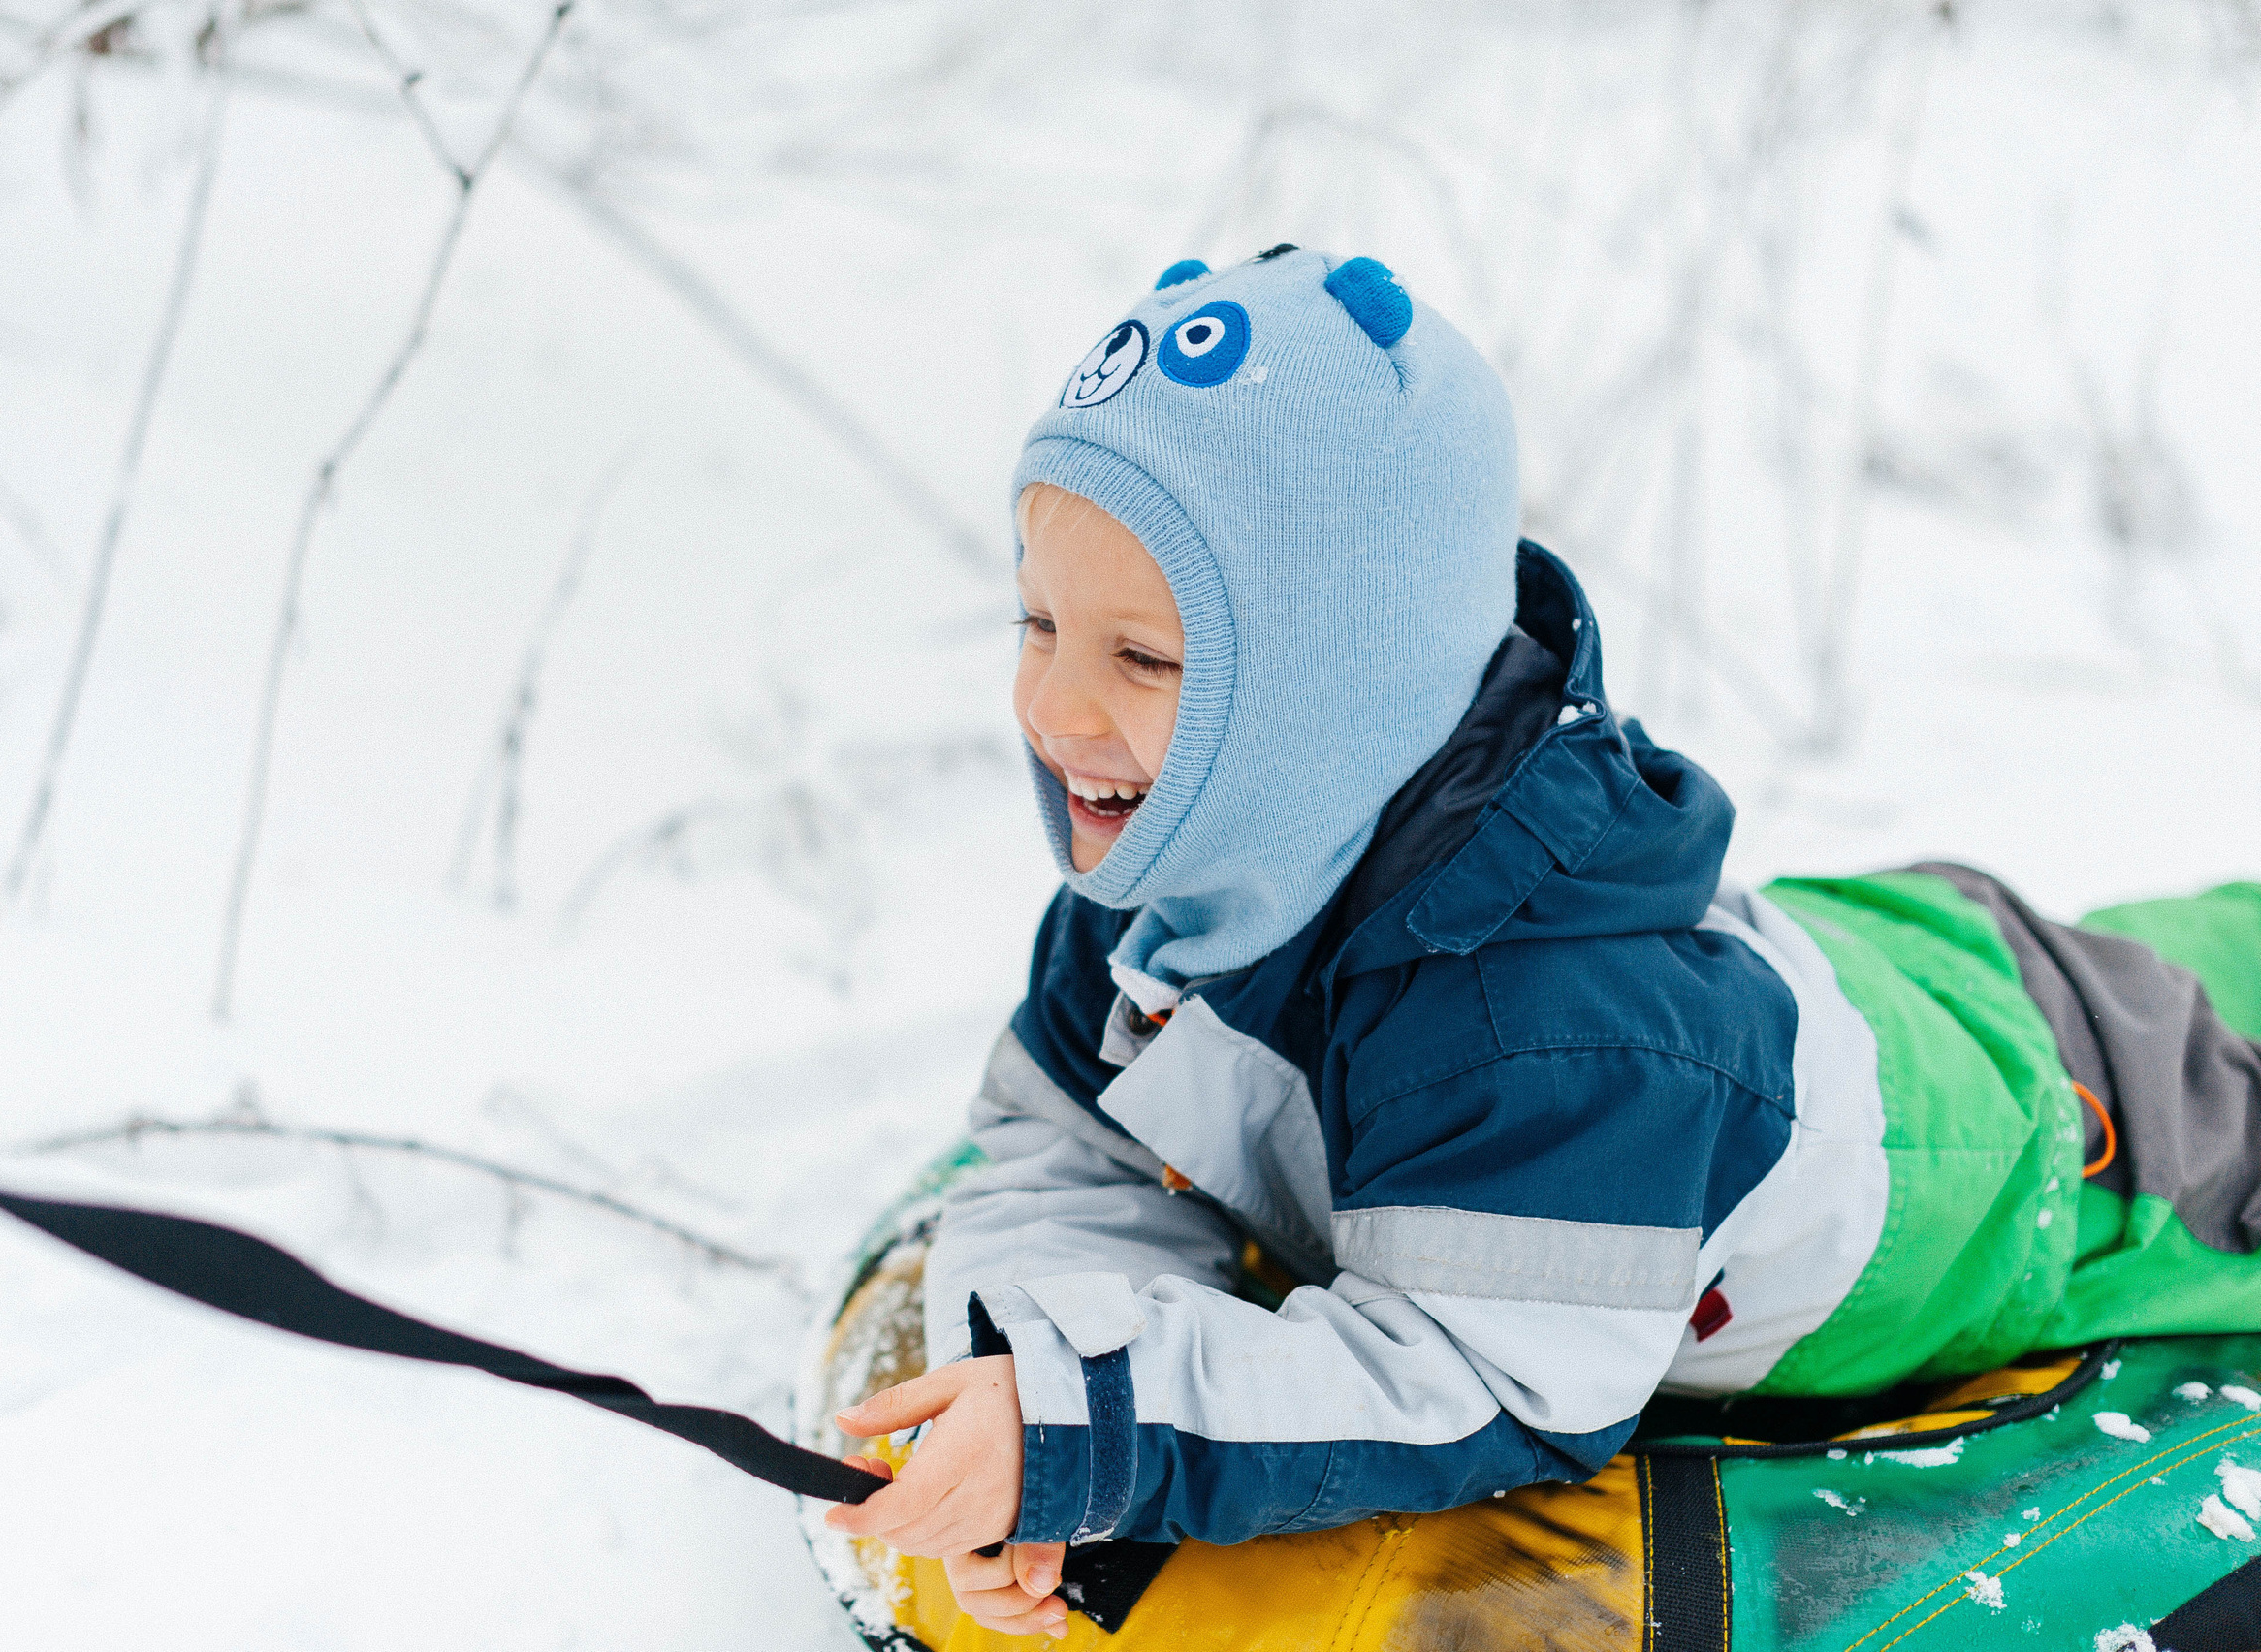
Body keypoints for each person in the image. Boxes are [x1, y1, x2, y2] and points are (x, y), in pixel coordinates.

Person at [821, 245, 2261, 1640]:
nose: (1054, 707)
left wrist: (1104, 1426)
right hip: (1826, 983)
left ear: (1351, 692)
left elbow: (1480, 1372)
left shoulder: (1538, 1035)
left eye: (1142, 659)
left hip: (2055, 1138)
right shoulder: (1153, 908)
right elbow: (1066, 1148)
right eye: (1038, 622)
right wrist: (1035, 1395)